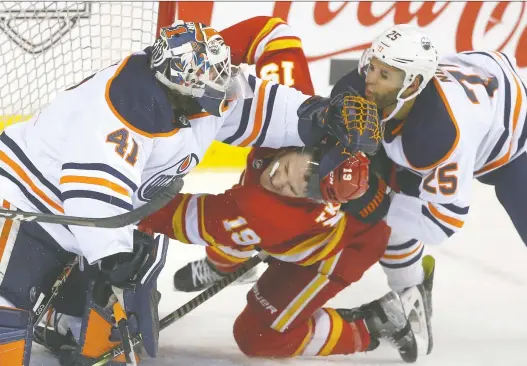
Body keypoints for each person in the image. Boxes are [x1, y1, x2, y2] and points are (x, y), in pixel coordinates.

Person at [0, 19, 382, 365]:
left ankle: (63, 317)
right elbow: (93, 193)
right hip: (24, 202)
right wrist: (115, 257)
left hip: (80, 224)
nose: (227, 93)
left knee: (100, 325)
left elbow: (254, 106)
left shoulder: (189, 92)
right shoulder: (124, 112)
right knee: (7, 319)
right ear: (183, 88)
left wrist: (316, 114)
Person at [139, 17, 418, 362]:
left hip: (336, 253)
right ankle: (223, 264)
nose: (289, 182)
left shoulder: (266, 213)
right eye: (310, 173)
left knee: (258, 338)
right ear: (315, 145)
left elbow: (177, 216)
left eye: (309, 190)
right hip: (296, 227)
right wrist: (197, 66)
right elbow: (271, 32)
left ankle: (372, 325)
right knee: (240, 220)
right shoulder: (301, 111)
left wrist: (117, 199)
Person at [334, 23, 527, 357]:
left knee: (388, 200)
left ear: (412, 86)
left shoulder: (438, 135)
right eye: (372, 65)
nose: (370, 80)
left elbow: (442, 223)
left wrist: (375, 200)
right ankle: (411, 291)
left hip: (512, 136)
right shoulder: (359, 88)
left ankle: (412, 291)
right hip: (480, 75)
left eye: (385, 75)